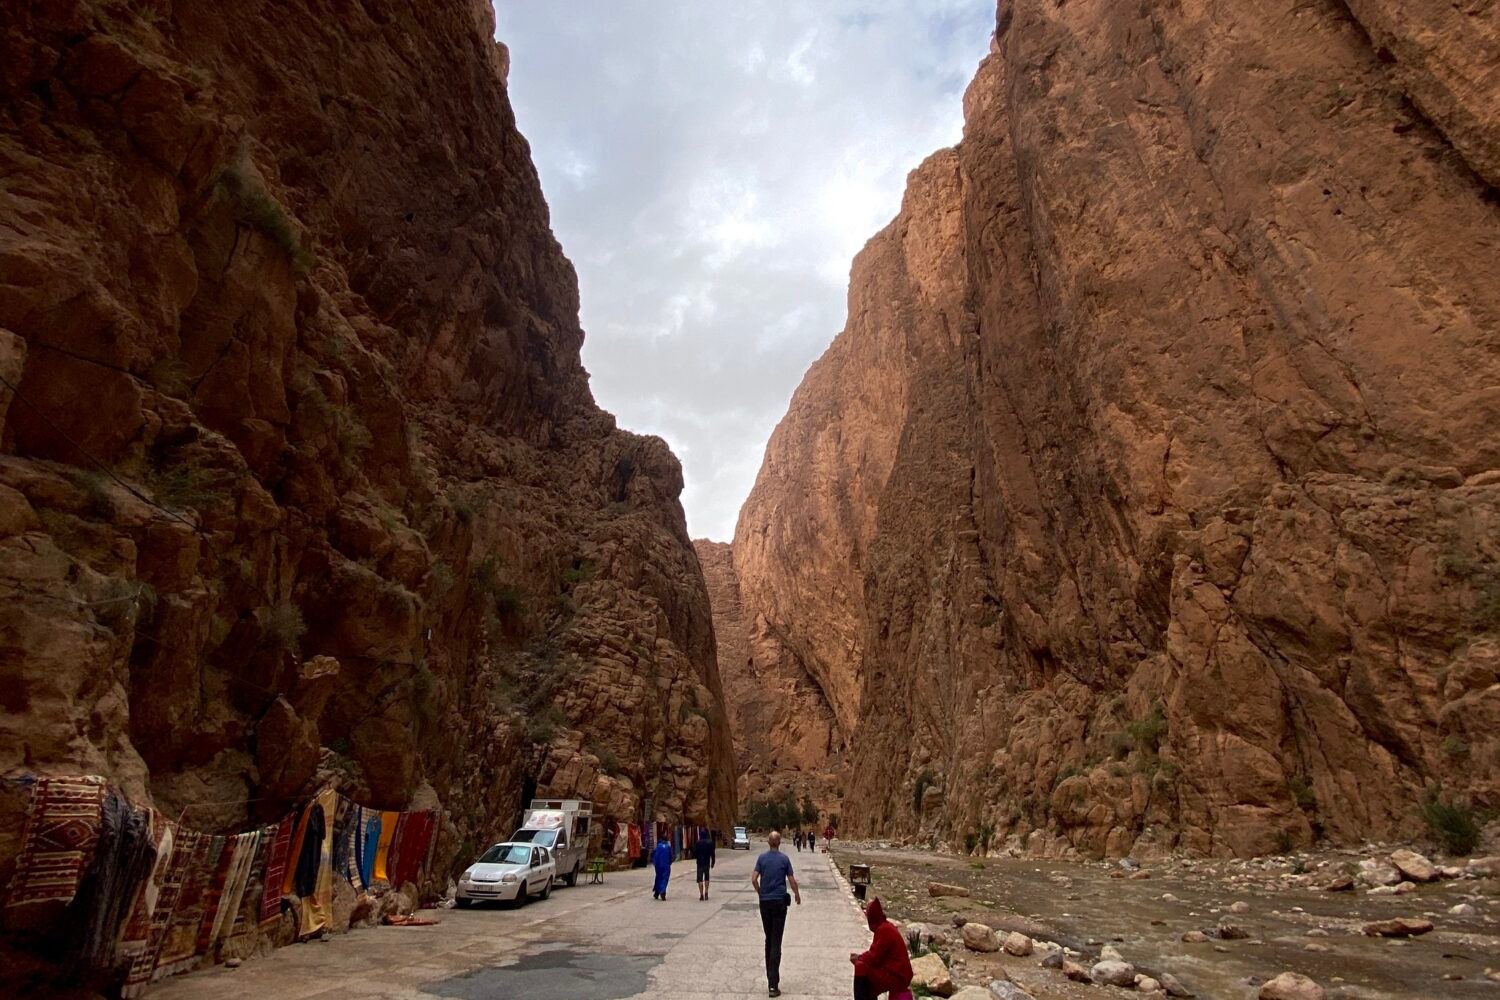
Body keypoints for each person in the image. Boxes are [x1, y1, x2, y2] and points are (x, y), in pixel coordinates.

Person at [751, 831, 801, 997]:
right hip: (779, 902)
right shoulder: (784, 859)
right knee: (776, 942)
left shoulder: (762, 859)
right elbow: (792, 880)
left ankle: (770, 980)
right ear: (779, 843)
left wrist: (760, 893)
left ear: (768, 842)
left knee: (769, 939)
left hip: (765, 902)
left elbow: (754, 879)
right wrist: (797, 895)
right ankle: (773, 984)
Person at [849, 897, 912, 1000]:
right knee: (865, 969)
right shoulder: (885, 927)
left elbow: (873, 957)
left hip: (897, 975)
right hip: (898, 973)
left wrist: (859, 958)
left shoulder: (884, 930)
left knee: (860, 967)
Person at [695, 828, 716, 900]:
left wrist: (697, 857)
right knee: (707, 878)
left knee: (700, 879)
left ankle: (701, 895)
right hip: (707, 863)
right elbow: (712, 854)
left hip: (700, 863)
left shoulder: (698, 843)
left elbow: (695, 853)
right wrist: (713, 862)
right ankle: (706, 892)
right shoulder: (710, 843)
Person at [651, 833, 673, 900]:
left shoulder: (658, 846)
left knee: (658, 878)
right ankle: (663, 892)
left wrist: (654, 863)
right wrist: (669, 863)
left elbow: (655, 855)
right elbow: (671, 857)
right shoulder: (668, 847)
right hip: (666, 865)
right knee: (664, 879)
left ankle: (657, 892)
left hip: (658, 865)